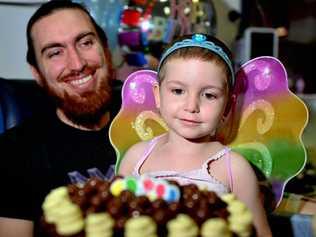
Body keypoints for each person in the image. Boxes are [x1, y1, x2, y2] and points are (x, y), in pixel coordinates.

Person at [119, 33, 272, 237]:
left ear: (228, 106)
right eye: (178, 91)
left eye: (209, 95)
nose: (191, 106)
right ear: (157, 95)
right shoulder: (136, 158)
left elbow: (260, 233)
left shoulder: (234, 169)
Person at [0, 1, 121, 237]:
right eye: (55, 52)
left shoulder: (151, 121)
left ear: (105, 49)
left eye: (86, 42)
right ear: (37, 73)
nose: (77, 64)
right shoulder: (11, 155)